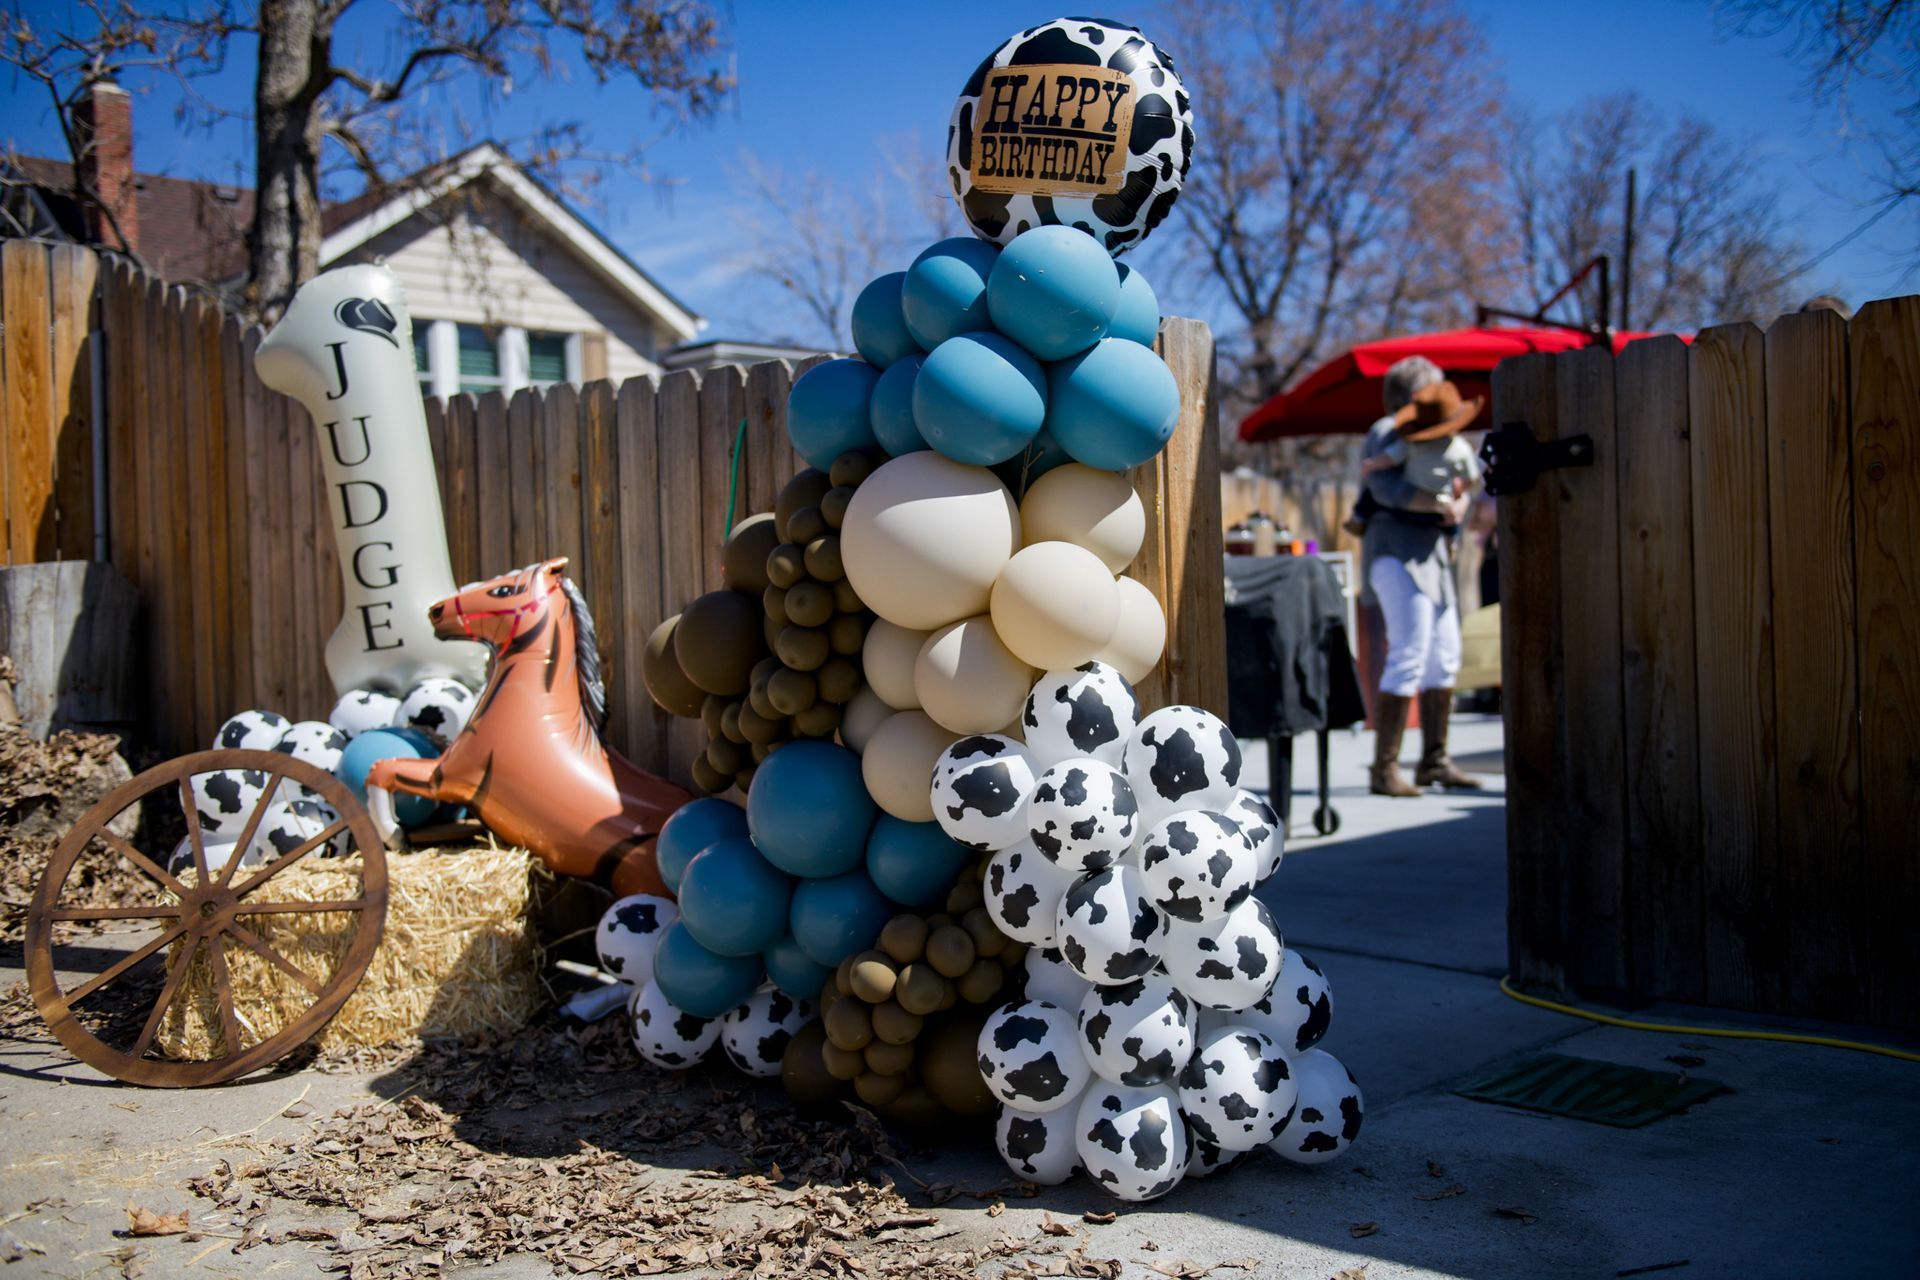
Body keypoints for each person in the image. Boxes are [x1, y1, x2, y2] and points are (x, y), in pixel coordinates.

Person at [1358, 356, 1483, 796]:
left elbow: (1459, 488)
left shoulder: (1443, 434)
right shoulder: (1386, 430)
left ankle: (1434, 761)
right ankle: (1385, 768)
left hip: (1434, 557)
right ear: (1417, 394)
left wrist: (1461, 506)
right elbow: (1381, 487)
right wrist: (1439, 506)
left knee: (1445, 654)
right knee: (1409, 649)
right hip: (1396, 551)